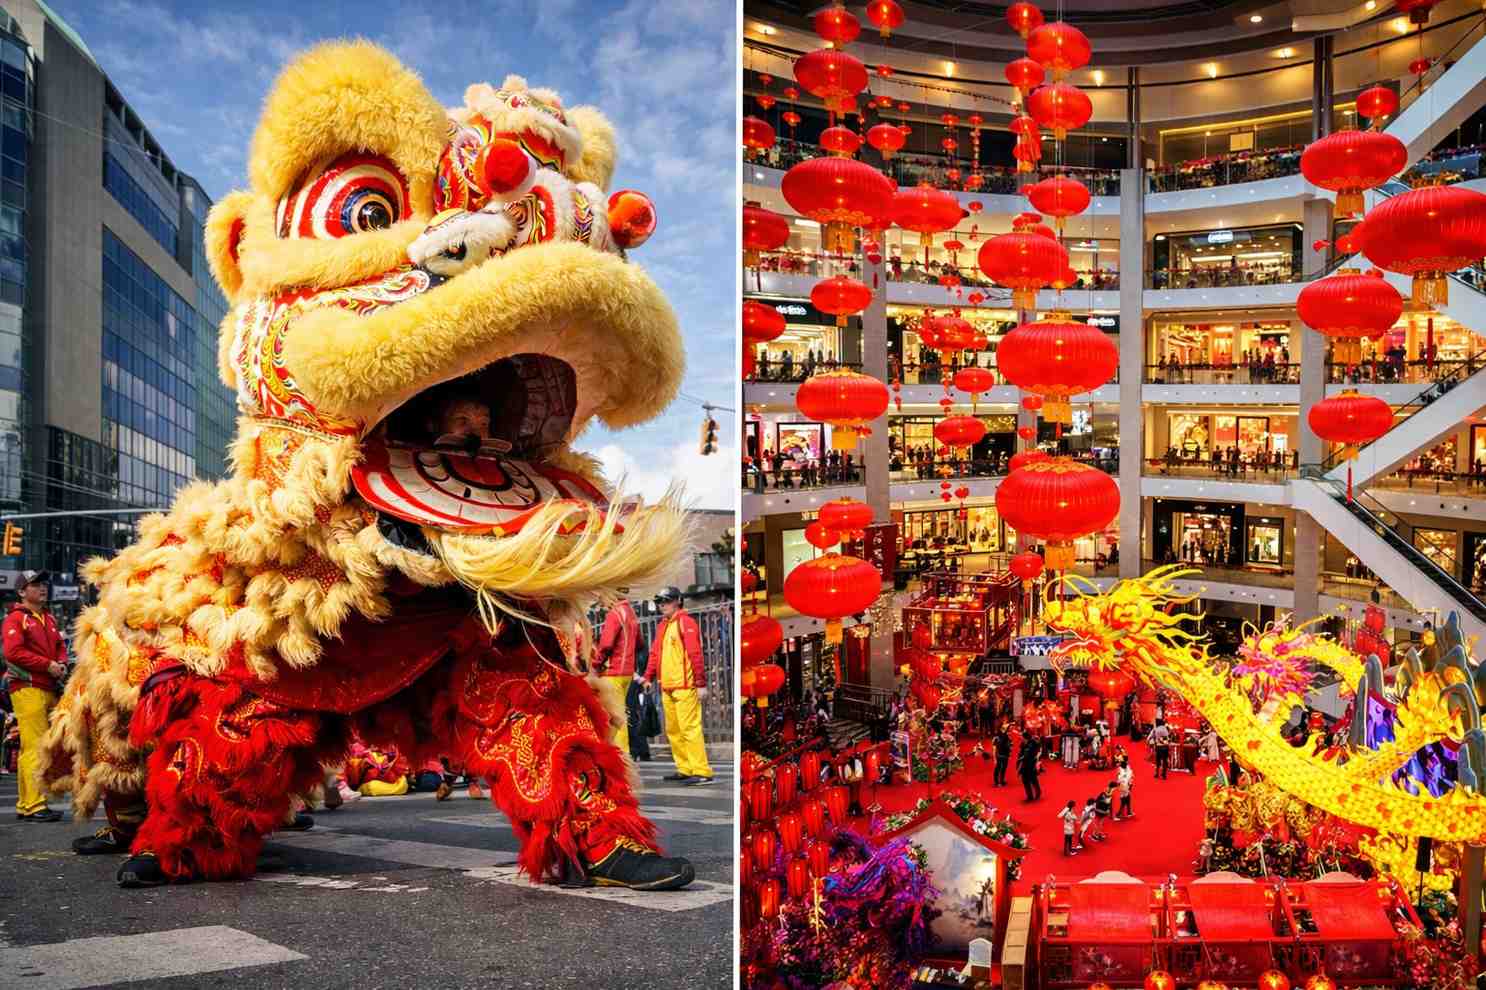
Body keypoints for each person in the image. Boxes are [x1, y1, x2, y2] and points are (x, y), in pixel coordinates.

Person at [5, 571, 67, 823]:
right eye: (35, 585)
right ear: (22, 592)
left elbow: (61, 647)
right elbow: (13, 652)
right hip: (27, 687)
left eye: (43, 585)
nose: (42, 588)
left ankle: (26, 803)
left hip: (46, 686)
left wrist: (60, 663)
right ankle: (34, 805)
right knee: (34, 746)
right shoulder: (15, 619)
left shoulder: (48, 618)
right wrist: (48, 665)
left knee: (31, 746)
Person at [641, 587, 712, 786]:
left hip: (685, 686)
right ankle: (685, 768)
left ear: (678, 601)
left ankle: (701, 770)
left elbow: (695, 653)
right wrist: (648, 677)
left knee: (689, 729)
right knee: (674, 731)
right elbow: (655, 654)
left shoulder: (685, 622)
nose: (662, 605)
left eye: (666, 600)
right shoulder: (664, 626)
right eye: (660, 601)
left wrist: (700, 683)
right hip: (668, 687)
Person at [594, 595, 641, 753]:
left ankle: (621, 757)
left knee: (616, 718)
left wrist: (596, 663)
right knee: (621, 714)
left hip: (613, 671)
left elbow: (606, 644)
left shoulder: (615, 614)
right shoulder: (631, 613)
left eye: (603, 597)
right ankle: (623, 756)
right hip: (627, 672)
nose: (601, 601)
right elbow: (640, 643)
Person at [1017, 733, 1042, 801]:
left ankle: (1038, 793)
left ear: (1025, 738)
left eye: (1022, 737)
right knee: (1025, 781)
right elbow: (1021, 753)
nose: (1021, 738)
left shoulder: (1033, 743)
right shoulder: (1023, 744)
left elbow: (1037, 751)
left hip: (1031, 765)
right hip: (1024, 765)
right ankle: (1030, 796)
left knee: (1033, 780)